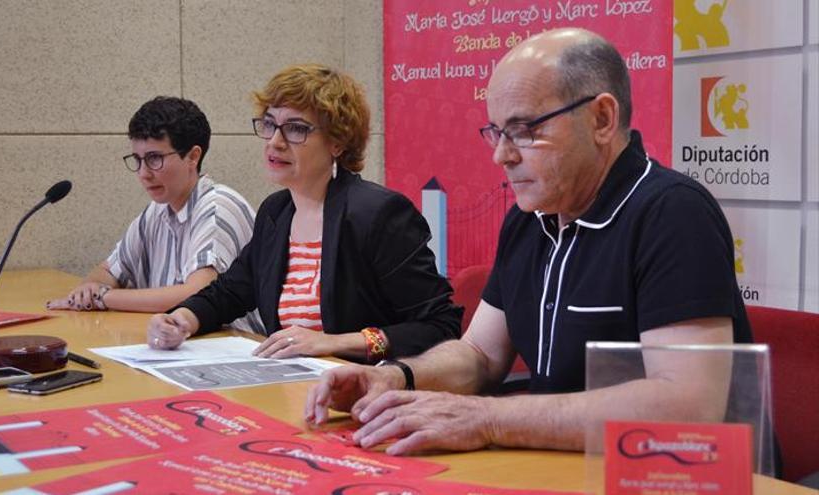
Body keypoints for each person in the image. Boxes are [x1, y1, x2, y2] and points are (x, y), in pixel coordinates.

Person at [304, 28, 752, 455]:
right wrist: (398, 377)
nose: (502, 154)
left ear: (602, 118)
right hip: (557, 464)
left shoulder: (672, 213)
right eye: (497, 132)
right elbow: (480, 354)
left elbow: (689, 406)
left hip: (665, 476)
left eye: (524, 130)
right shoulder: (531, 218)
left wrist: (489, 418)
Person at [146, 64, 461, 363]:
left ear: (337, 142)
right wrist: (181, 320)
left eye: (296, 129)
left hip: (365, 389)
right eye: (270, 124)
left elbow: (438, 327)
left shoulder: (378, 214)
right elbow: (229, 292)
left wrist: (333, 342)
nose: (275, 141)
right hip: (292, 385)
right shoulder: (276, 212)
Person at [47, 96, 262, 331]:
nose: (143, 173)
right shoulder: (157, 210)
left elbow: (197, 295)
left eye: (154, 159)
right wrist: (89, 289)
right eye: (138, 160)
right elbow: (107, 272)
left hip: (233, 347)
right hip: (183, 342)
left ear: (193, 156)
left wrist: (103, 297)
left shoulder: (217, 208)